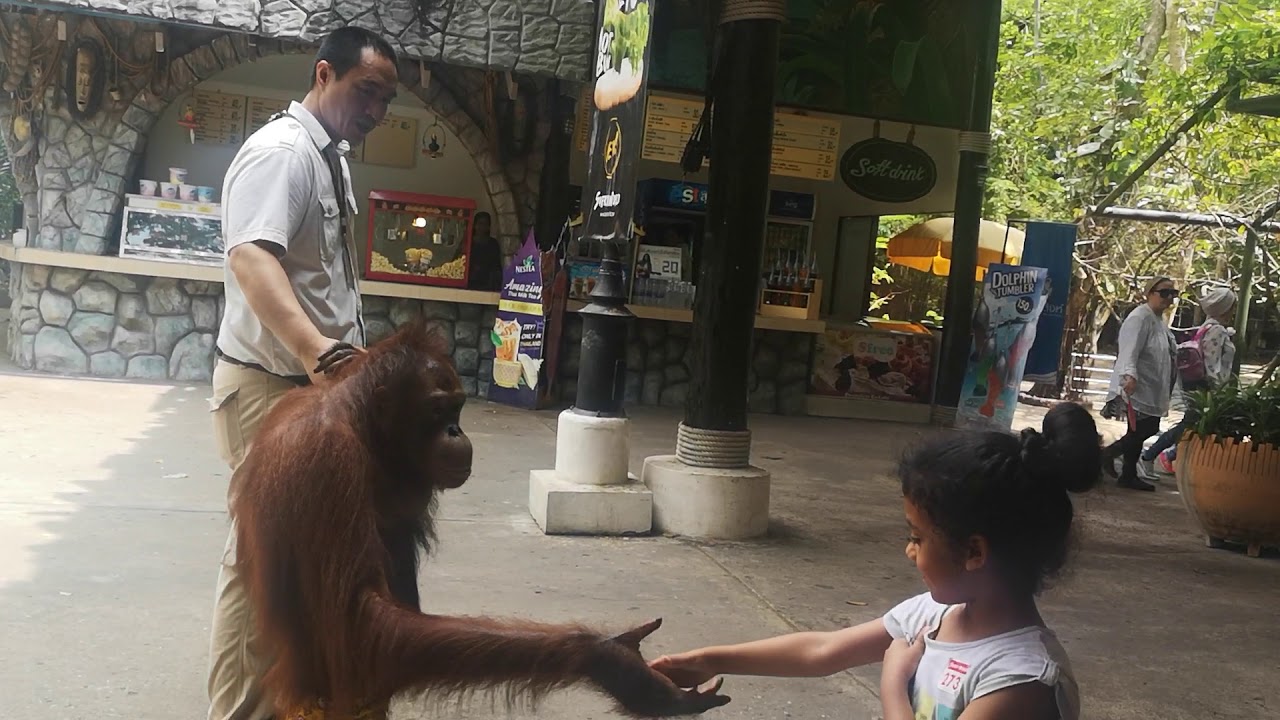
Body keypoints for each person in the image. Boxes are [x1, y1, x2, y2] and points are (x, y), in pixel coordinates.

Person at [649, 403, 1102, 720]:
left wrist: (892, 681)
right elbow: (822, 651)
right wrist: (710, 659)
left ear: (974, 552)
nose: (909, 551)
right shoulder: (933, 615)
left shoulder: (1020, 679)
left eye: (917, 537)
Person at [205, 27, 399, 720]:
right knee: (261, 561)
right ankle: (239, 712)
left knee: (299, 560)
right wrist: (320, 353)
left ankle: (293, 699)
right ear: (324, 74)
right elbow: (252, 259)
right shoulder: (283, 154)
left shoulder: (329, 156)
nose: (375, 109)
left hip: (312, 392)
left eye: (386, 99)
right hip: (270, 387)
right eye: (365, 92)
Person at [1141, 286, 1237, 474]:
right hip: (1205, 387)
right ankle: (1153, 454)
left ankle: (1167, 454)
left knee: (1195, 424)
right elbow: (1211, 361)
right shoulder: (1216, 330)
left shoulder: (1208, 326)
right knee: (1191, 425)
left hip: (1197, 384)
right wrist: (1217, 387)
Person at [1099, 276, 1179, 491]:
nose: (1169, 298)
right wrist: (1129, 375)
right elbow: (1129, 350)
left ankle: (1123, 468)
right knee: (1143, 428)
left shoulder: (1157, 320)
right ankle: (1113, 460)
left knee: (1143, 429)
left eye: (1173, 293)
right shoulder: (1139, 318)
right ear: (1150, 293)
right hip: (1137, 386)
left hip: (1151, 386)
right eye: (1164, 293)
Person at [466, 211, 503, 291]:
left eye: (485, 224)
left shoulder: (493, 244)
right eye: (480, 223)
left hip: (487, 286)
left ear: (489, 227)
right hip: (468, 284)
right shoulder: (467, 242)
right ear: (475, 225)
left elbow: (496, 266)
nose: (482, 227)